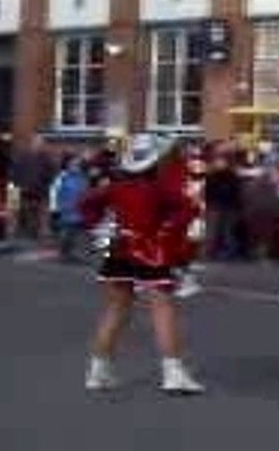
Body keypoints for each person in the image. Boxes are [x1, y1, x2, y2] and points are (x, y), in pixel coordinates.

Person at [79, 133, 204, 395]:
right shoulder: (159, 187)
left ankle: (97, 371)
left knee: (115, 310)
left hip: (118, 249)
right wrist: (167, 233)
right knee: (162, 309)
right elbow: (189, 209)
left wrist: (100, 228)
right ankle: (173, 373)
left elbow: (85, 203)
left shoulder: (116, 186)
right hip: (150, 251)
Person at [49, 154, 90, 263]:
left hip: (78, 210)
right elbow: (54, 192)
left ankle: (69, 253)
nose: (76, 166)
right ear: (67, 164)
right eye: (73, 164)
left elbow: (86, 193)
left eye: (77, 164)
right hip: (65, 210)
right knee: (66, 232)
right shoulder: (62, 177)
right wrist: (54, 209)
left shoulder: (82, 178)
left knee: (74, 233)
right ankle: (63, 253)